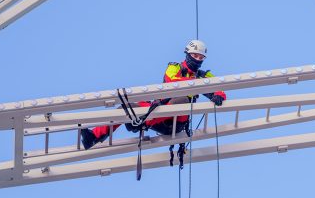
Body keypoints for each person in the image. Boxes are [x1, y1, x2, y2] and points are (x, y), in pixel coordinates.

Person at [81, 39, 226, 150]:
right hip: (160, 113)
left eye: (201, 58)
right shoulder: (174, 67)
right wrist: (196, 83)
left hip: (176, 120)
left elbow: (217, 85)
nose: (198, 60)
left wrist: (218, 95)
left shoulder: (203, 75)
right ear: (188, 54)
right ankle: (93, 137)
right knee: (127, 108)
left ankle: (141, 122)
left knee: (180, 100)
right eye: (195, 55)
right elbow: (172, 80)